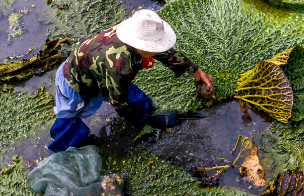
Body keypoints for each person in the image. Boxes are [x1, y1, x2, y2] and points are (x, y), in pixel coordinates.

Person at [48, 9, 215, 152]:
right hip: (74, 82)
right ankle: (60, 149)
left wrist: (195, 71)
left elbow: (163, 52)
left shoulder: (132, 33)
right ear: (142, 47)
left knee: (141, 103)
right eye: (154, 49)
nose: (158, 51)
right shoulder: (120, 67)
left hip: (96, 67)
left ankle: (143, 113)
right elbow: (120, 106)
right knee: (69, 122)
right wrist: (154, 121)